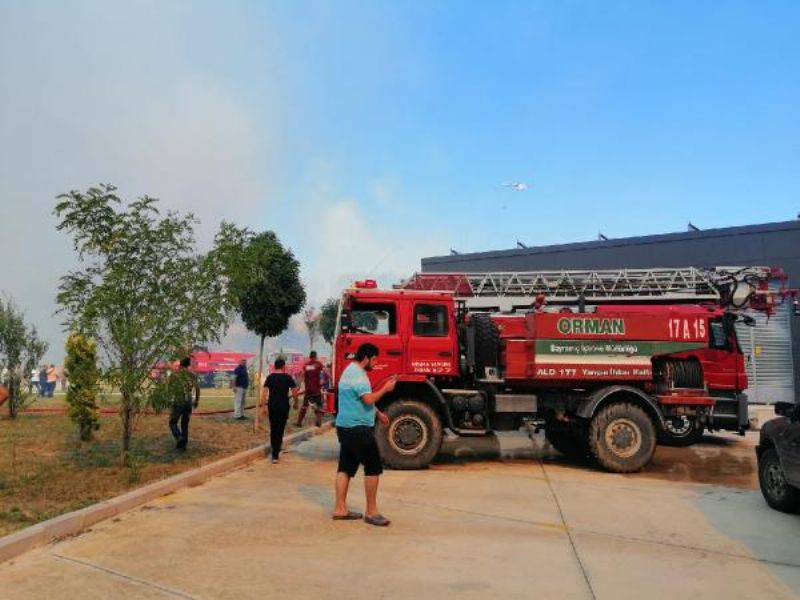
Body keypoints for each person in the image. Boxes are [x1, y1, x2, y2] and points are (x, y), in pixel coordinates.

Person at [332, 343, 396, 527]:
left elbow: (361, 399)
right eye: (375, 359)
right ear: (366, 357)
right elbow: (368, 398)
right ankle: (372, 512)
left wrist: (378, 413)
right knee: (373, 467)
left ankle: (340, 509)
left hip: (345, 427)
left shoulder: (349, 370)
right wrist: (385, 389)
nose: (376, 363)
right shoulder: (360, 377)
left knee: (345, 467)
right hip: (358, 429)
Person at [262, 357, 299, 464]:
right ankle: (276, 453)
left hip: (272, 406)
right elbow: (294, 391)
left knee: (273, 428)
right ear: (283, 366)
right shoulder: (287, 377)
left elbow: (264, 393)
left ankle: (275, 451)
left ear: (274, 366)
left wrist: (263, 407)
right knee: (280, 428)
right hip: (283, 406)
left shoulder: (270, 377)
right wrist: (296, 402)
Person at [168, 357, 199, 451]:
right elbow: (197, 389)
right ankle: (183, 446)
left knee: (172, 422)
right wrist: (196, 401)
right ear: (188, 365)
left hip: (179, 400)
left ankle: (179, 438)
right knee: (185, 424)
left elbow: (169, 388)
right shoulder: (193, 375)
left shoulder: (175, 375)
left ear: (180, 365)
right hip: (189, 401)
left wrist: (170, 400)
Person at [296, 351, 324, 428]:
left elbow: (302, 375)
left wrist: (298, 386)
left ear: (310, 356)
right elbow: (324, 372)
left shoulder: (306, 365)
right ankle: (318, 420)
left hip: (308, 390)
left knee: (304, 406)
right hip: (317, 390)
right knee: (319, 405)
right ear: (316, 356)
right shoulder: (318, 364)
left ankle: (299, 422)